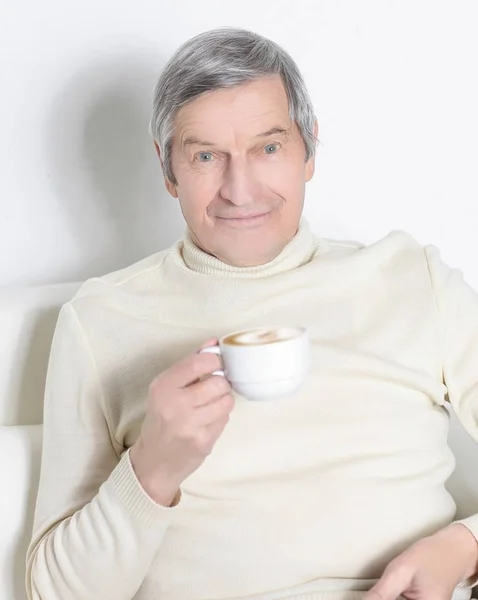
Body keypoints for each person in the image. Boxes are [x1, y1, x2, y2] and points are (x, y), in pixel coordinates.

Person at [26, 27, 478, 600]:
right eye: (206, 156)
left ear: (308, 149)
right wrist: (152, 470)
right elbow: (55, 592)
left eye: (268, 148)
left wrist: (465, 547)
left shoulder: (412, 278)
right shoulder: (100, 320)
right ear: (168, 170)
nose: (240, 191)